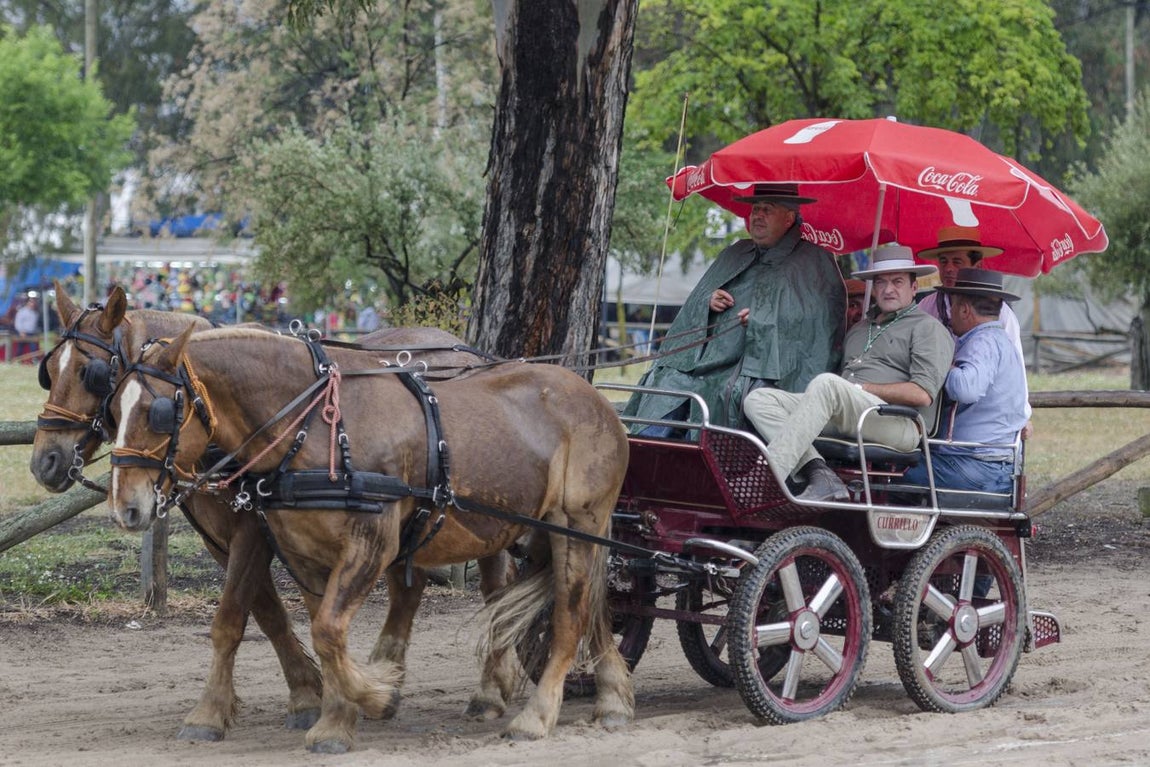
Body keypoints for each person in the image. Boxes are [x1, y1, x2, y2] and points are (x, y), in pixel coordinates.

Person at [622, 183, 845, 433]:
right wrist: (707, 301)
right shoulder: (735, 252)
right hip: (703, 362)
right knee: (666, 380)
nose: (758, 215)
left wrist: (766, 321)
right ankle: (649, 451)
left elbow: (820, 323)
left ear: (789, 217)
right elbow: (695, 301)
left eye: (768, 209)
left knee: (728, 392)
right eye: (756, 209)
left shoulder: (814, 260)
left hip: (759, 369)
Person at [743, 245, 954, 502]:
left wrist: (861, 389)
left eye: (897, 282)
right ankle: (818, 472)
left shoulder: (928, 328)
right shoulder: (859, 329)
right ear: (873, 288)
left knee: (827, 384)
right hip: (847, 412)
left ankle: (761, 481)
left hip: (898, 422)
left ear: (914, 287)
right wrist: (762, 322)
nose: (888, 289)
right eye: (881, 282)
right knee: (758, 399)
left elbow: (921, 394)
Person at [903, 268, 1028, 494]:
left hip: (978, 464)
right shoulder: (998, 340)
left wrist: (940, 365)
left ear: (964, 310)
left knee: (893, 473)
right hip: (990, 463)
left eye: (953, 306)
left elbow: (966, 389)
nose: (950, 314)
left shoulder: (984, 342)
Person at [916, 225, 1032, 434]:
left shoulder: (1001, 314)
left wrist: (1023, 414)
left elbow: (1015, 366)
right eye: (943, 261)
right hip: (931, 403)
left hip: (978, 413)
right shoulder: (926, 306)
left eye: (957, 262)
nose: (948, 268)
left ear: (976, 265)